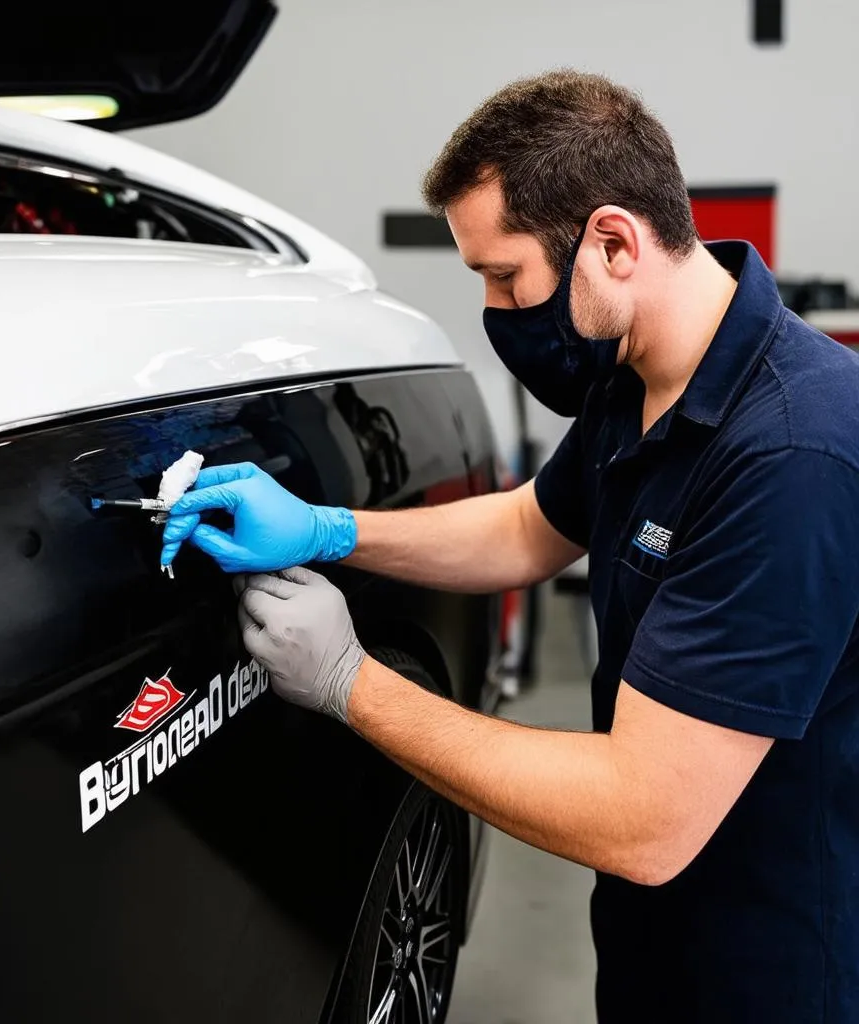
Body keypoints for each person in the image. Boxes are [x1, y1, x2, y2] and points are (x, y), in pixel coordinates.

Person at [160, 71, 859, 1023]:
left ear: (612, 242)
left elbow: (643, 819)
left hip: (772, 971)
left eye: (504, 276)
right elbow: (533, 525)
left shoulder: (793, 453)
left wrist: (348, 683)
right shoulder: (635, 366)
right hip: (655, 940)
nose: (497, 311)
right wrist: (331, 528)